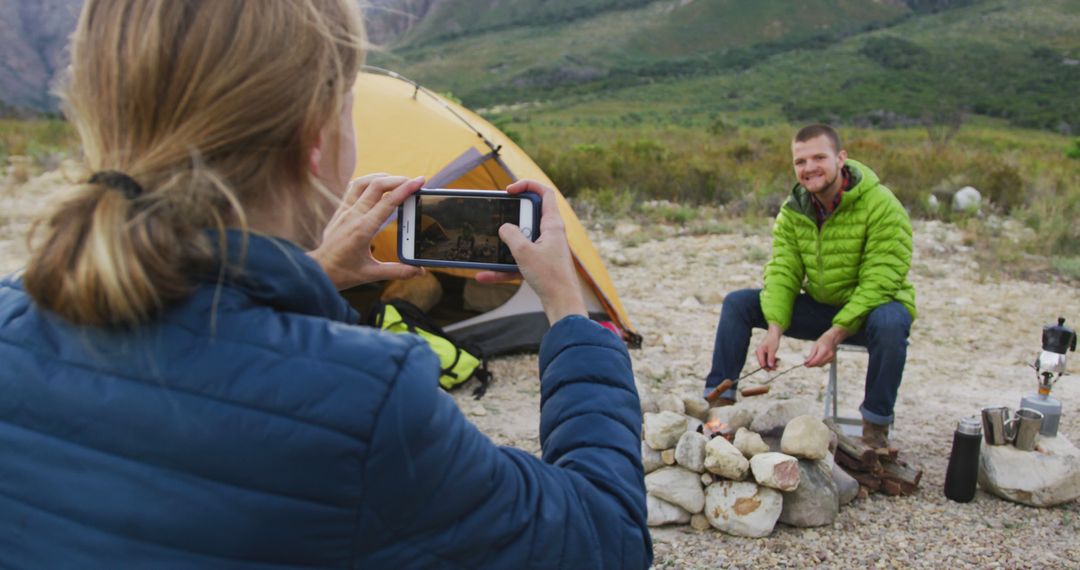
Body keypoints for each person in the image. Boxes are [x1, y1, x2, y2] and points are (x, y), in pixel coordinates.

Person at [0, 1, 651, 568]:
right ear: (316, 138)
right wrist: (568, 307)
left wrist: (310, 273)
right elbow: (603, 538)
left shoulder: (14, 315)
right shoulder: (364, 398)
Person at [703, 124, 916, 449]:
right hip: (822, 308)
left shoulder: (882, 205)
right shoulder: (794, 210)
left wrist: (835, 334)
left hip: (871, 311)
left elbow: (880, 282)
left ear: (840, 158)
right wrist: (774, 327)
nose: (809, 168)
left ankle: (874, 429)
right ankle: (718, 412)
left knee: (891, 322)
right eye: (801, 161)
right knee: (738, 303)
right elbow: (783, 270)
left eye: (819, 157)